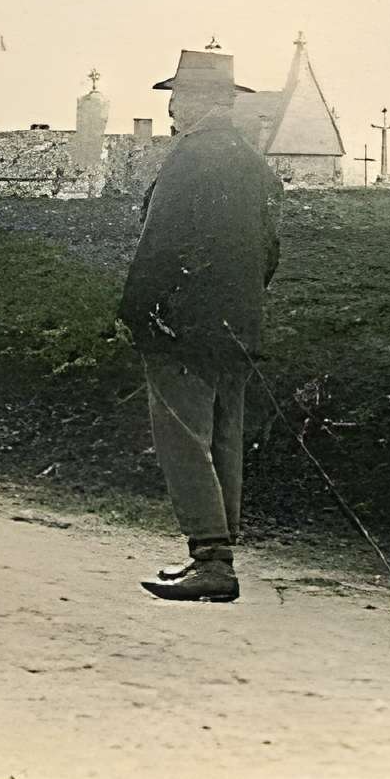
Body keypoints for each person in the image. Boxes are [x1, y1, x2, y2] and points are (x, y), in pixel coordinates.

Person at [118, 48, 283, 602]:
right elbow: (269, 252)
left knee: (184, 441)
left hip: (182, 327)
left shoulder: (189, 159)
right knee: (224, 437)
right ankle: (219, 557)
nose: (171, 112)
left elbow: (158, 246)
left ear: (202, 101)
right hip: (238, 327)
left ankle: (211, 561)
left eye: (178, 99)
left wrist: (136, 312)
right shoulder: (253, 163)